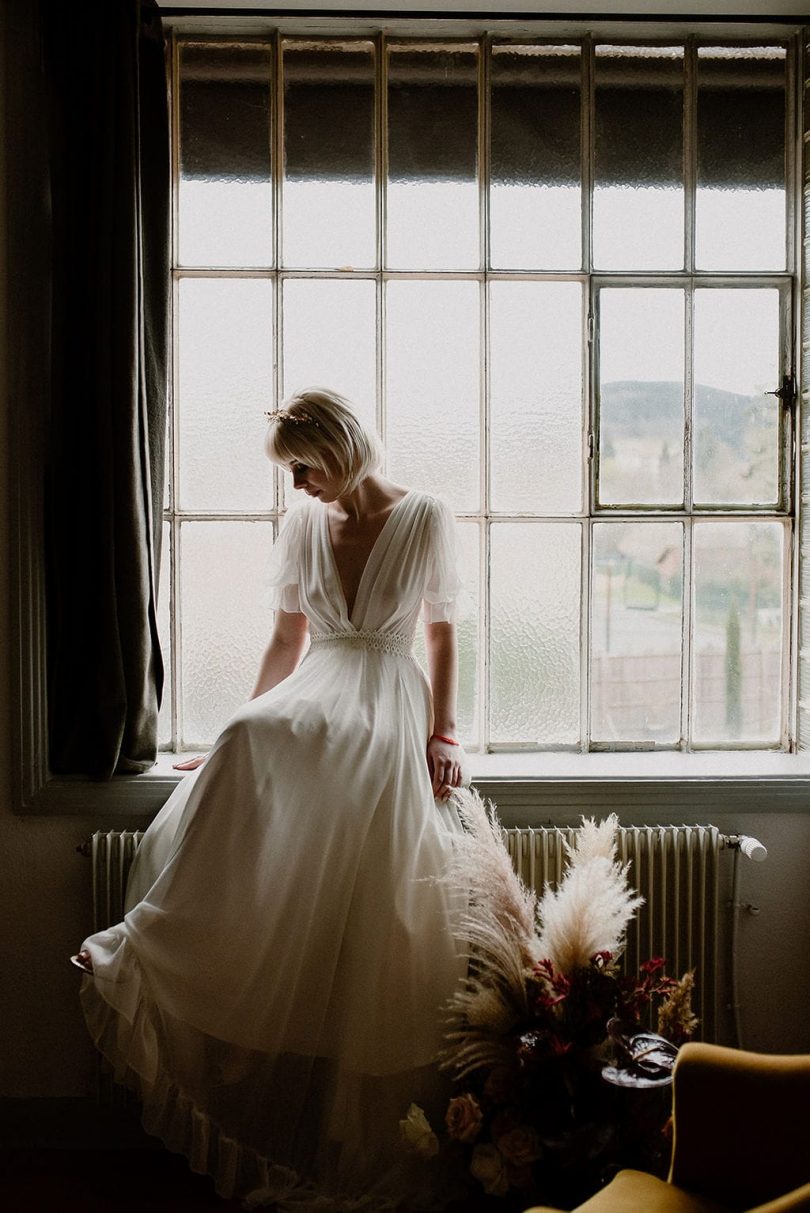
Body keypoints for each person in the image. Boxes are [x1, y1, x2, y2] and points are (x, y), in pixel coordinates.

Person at [72, 389, 470, 1209]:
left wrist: (445, 732)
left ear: (340, 447)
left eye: (303, 468)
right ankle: (145, 945)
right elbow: (289, 640)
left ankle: (344, 1133)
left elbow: (440, 630)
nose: (297, 487)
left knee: (354, 830)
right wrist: (236, 728)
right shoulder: (303, 530)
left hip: (386, 695)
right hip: (320, 686)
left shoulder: (424, 515)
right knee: (252, 740)